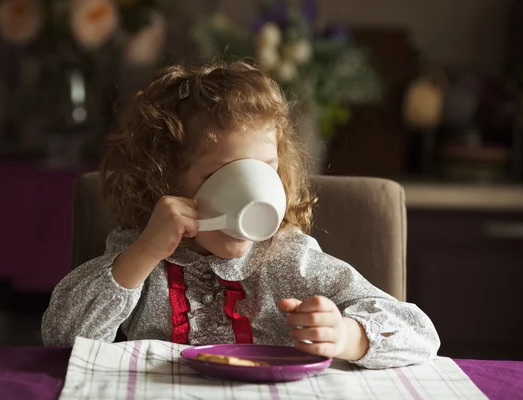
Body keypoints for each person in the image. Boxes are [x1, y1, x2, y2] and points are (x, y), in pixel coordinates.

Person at [42, 61, 440, 369]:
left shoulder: (292, 260)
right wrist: (142, 255)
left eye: (265, 169)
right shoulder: (139, 252)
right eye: (220, 174)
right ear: (164, 179)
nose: (250, 194)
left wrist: (348, 336)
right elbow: (61, 338)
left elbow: (420, 333)